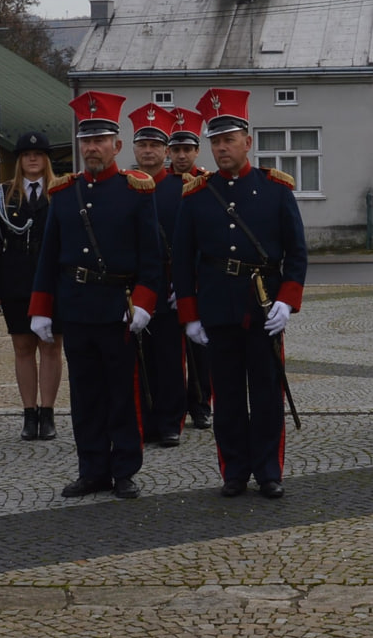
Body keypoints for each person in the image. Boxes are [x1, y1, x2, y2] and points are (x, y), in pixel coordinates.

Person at [172, 88, 308, 499]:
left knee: (266, 392)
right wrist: (190, 315)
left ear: (248, 141)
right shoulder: (196, 194)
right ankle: (234, 471)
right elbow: (182, 260)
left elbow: (297, 252)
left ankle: (269, 471)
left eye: (229, 139)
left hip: (263, 306)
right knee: (227, 395)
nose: (221, 148)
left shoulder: (276, 189)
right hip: (217, 306)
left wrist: (287, 300)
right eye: (215, 141)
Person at [29, 91, 161, 500]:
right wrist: (41, 308)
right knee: (84, 394)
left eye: (100, 139)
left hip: (118, 307)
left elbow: (152, 257)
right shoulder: (64, 193)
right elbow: (49, 255)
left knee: (122, 393)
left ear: (117, 145)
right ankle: (91, 469)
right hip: (76, 305)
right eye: (86, 140)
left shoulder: (136, 190)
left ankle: (124, 469)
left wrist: (144, 302)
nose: (92, 147)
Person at [0, 130, 63, 441]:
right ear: (19, 160)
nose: (33, 159)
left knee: (51, 346)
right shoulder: (4, 194)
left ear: (46, 159)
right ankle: (29, 414)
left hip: (51, 282)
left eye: (39, 154)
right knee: (22, 347)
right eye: (27, 155)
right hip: (15, 281)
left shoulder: (60, 192)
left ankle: (48, 412)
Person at [128, 102, 187, 448]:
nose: (148, 151)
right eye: (142, 145)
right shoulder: (125, 185)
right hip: (133, 287)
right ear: (133, 148)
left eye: (155, 145)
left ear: (166, 151)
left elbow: (192, 243)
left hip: (168, 285)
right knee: (137, 359)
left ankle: (169, 421)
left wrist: (186, 285)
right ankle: (143, 419)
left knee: (168, 357)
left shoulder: (182, 189)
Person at [167, 107, 212, 430]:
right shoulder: (155, 183)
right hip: (164, 275)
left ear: (197, 151)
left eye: (187, 149)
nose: (182, 155)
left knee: (199, 347)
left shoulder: (206, 183)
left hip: (197, 275)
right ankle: (173, 404)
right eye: (176, 149)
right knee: (168, 349)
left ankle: (201, 404)